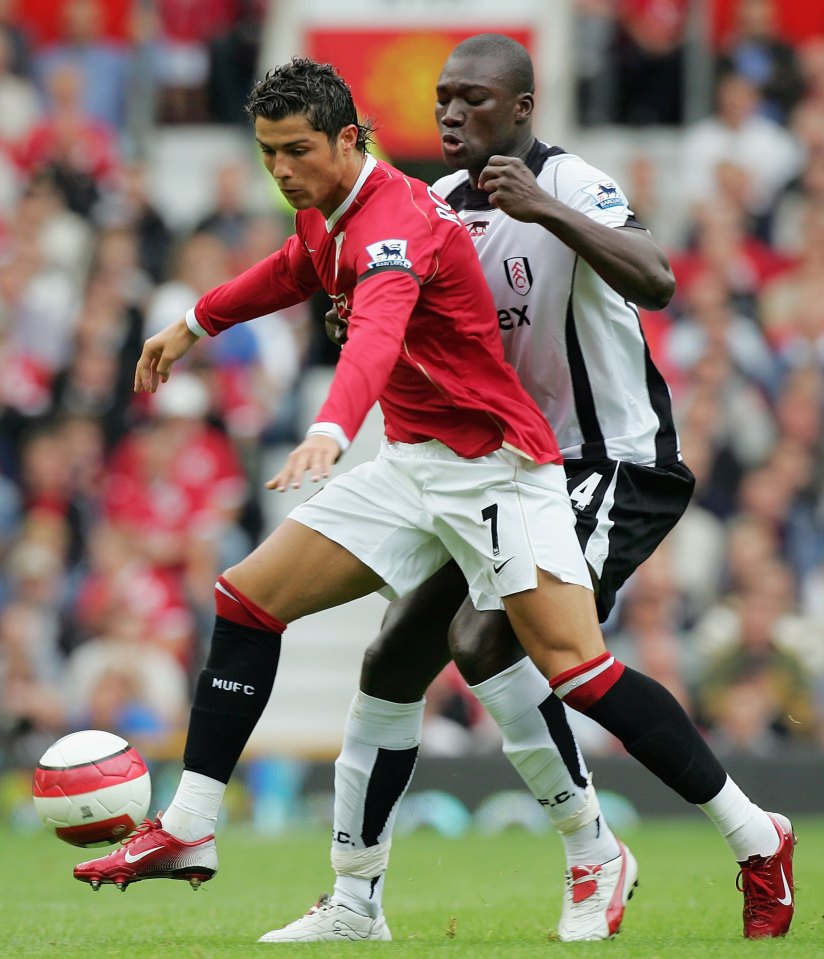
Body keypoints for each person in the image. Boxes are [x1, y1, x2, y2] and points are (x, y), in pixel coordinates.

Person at [72, 51, 795, 945]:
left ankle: (699, 839)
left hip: (593, 459)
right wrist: (195, 321)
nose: (451, 114)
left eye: (473, 99)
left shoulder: (566, 181)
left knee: (513, 645)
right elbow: (324, 277)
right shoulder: (432, 201)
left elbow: (654, 279)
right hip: (435, 462)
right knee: (356, 649)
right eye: (442, 99)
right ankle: (340, 893)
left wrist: (546, 214)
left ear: (524, 105)